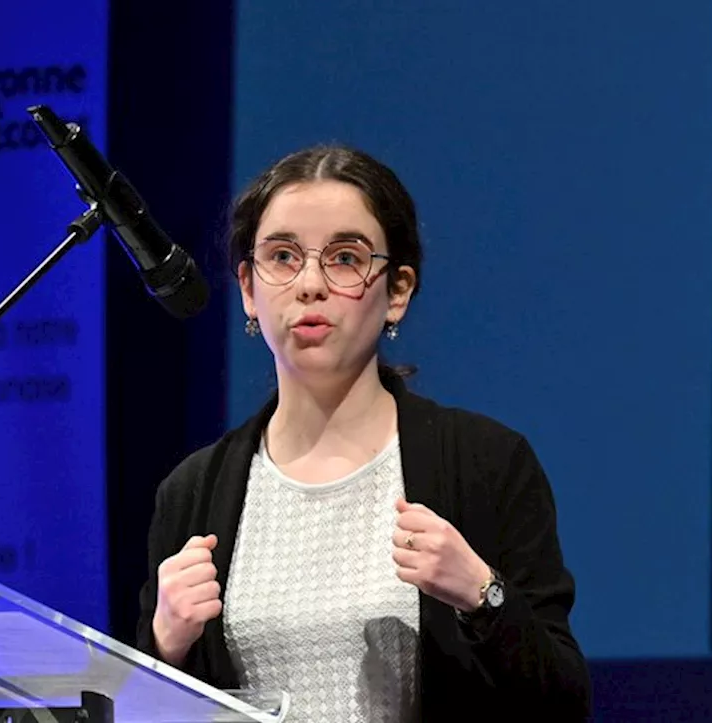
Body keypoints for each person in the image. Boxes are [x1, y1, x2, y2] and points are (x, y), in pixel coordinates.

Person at [134, 145, 591, 721]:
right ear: (249, 288)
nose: (309, 284)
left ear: (397, 291)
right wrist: (165, 647)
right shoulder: (194, 491)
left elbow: (565, 703)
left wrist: (484, 595)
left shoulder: (486, 463)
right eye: (282, 256)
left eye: (345, 258)